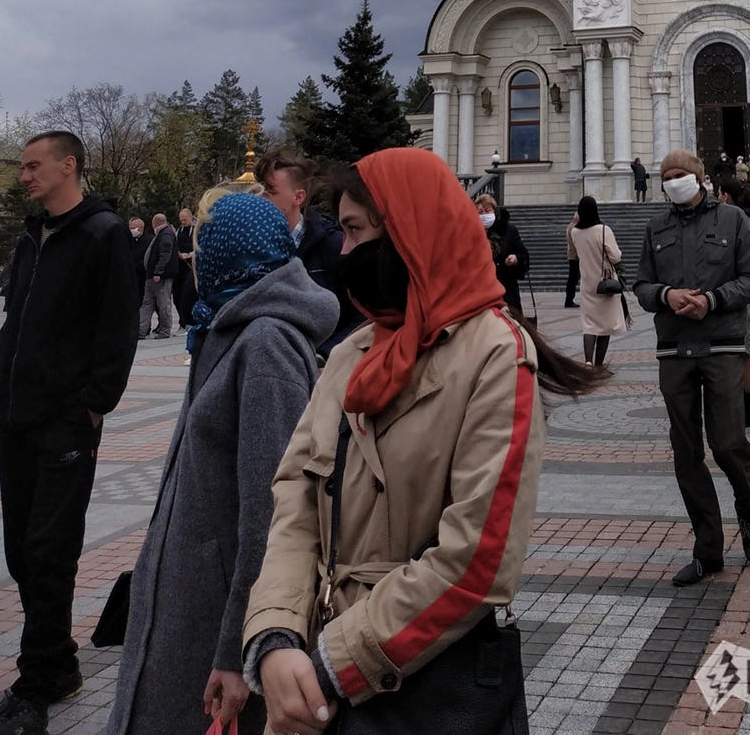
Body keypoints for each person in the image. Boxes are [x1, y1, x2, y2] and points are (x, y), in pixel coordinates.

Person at [242, 149, 597, 735]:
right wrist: (277, 637)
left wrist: (333, 662)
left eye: (356, 231)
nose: (345, 252)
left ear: (409, 231)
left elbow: (477, 559)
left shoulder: (496, 354)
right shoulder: (353, 352)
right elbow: (297, 501)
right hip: (315, 670)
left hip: (420, 681)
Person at [107, 188, 339, 735]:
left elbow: (272, 515)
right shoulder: (226, 328)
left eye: (205, 241)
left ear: (230, 251)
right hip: (190, 606)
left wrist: (240, 652)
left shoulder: (265, 344)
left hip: (215, 625)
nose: (196, 254)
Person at [0, 132, 137, 733]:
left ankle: (35, 686)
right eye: (22, 166)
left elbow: (117, 329)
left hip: (65, 424)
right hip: (17, 419)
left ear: (67, 165)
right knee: (23, 551)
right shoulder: (33, 237)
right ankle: (59, 664)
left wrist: (92, 407)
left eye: (33, 165)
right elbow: (17, 320)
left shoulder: (103, 235)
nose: (24, 175)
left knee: (51, 552)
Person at [634, 150, 750, 586]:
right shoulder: (656, 228)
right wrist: (666, 296)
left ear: (701, 178)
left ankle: (749, 505)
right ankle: (707, 550)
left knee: (728, 442)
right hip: (674, 348)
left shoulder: (733, 221)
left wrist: (711, 300)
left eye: (681, 175)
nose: (674, 181)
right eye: (667, 176)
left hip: (723, 344)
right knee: (686, 452)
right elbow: (641, 284)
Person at [255, 147, 360, 349]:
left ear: (298, 197)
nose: (260, 199)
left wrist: (324, 356)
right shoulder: (253, 248)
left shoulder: (334, 246)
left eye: (269, 191)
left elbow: (360, 317)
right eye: (258, 191)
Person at [716, 180, 750, 427]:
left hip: (737, 292)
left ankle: (747, 406)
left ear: (726, 196)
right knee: (746, 353)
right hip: (746, 290)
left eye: (719, 192)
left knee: (738, 352)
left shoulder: (736, 220)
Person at [570, 195, 626, 368]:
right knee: (605, 325)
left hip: (587, 283)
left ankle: (587, 361)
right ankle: (599, 365)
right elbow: (615, 256)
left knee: (590, 324)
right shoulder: (603, 230)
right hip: (605, 283)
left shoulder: (575, 232)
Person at [474, 192, 530, 312]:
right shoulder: (471, 232)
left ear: (494, 211)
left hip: (505, 287)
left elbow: (523, 254)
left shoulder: (508, 230)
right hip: (480, 290)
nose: (484, 215)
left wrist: (515, 259)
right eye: (480, 212)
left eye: (487, 210)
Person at [139, 213, 178, 339]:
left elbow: (165, 255)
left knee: (163, 303)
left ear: (154, 223)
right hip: (152, 276)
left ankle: (165, 330)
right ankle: (141, 329)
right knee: (148, 303)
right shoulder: (162, 235)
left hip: (160, 277)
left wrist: (158, 272)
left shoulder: (165, 235)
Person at [173, 208, 196, 329]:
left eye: (185, 220)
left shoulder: (197, 230)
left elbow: (199, 247)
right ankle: (182, 321)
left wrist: (189, 255)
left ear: (191, 217)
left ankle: (190, 321)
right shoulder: (179, 231)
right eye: (181, 220)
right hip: (179, 266)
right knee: (177, 294)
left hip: (190, 265)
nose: (183, 222)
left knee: (188, 295)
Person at [127, 217, 148, 304]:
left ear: (141, 228)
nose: (132, 230)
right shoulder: (128, 240)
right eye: (130, 228)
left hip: (142, 276)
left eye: (133, 228)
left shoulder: (148, 241)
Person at [563, 213, 580, 308]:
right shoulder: (573, 228)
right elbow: (575, 243)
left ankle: (569, 299)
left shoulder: (570, 226)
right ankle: (569, 300)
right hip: (574, 256)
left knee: (574, 278)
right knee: (573, 278)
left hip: (572, 255)